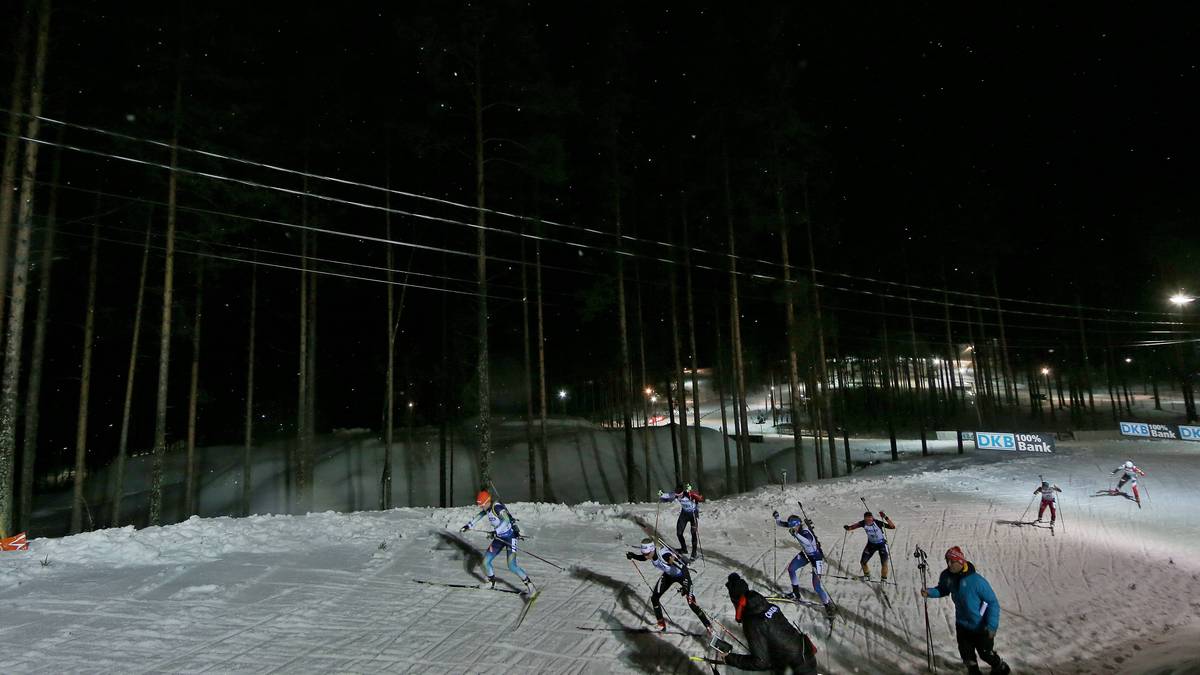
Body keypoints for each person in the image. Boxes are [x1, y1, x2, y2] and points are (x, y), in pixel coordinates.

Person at [921, 546, 1009, 675]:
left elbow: (992, 603)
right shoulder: (947, 576)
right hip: (962, 624)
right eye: (947, 561)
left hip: (981, 626)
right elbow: (943, 589)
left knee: (985, 653)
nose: (949, 564)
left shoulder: (977, 581)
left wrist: (992, 626)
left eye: (952, 561)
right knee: (966, 654)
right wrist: (929, 592)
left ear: (960, 561)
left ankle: (1000, 667)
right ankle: (974, 672)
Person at [718, 573, 818, 674]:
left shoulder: (752, 623)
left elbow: (761, 662)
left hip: (794, 669)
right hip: (806, 656)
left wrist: (730, 659)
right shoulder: (770, 606)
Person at [627, 537, 713, 632]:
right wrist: (633, 556)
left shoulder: (664, 555)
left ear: (652, 549)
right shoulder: (651, 554)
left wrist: (685, 586)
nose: (646, 556)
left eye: (647, 554)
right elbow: (644, 558)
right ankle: (661, 624)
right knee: (654, 598)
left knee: (691, 602)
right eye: (644, 553)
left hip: (682, 575)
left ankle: (708, 626)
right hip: (668, 575)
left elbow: (677, 563)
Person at [460, 489, 535, 595]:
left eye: (482, 505)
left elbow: (506, 520)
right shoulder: (487, 508)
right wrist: (469, 525)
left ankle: (530, 586)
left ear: (487, 502)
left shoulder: (497, 507)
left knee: (512, 566)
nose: (481, 507)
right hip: (499, 538)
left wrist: (496, 531)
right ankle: (491, 582)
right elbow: (480, 515)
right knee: (485, 561)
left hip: (510, 537)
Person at [772, 511, 835, 619]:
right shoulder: (795, 526)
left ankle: (828, 605)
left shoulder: (805, 531)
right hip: (806, 554)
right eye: (791, 527)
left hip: (816, 558)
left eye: (794, 527)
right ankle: (796, 593)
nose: (792, 529)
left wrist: (796, 534)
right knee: (791, 569)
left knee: (817, 586)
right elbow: (780, 523)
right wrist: (777, 517)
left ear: (798, 524)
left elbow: (808, 542)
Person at [843, 510, 896, 581]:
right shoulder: (863, 523)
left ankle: (884, 579)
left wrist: (885, 517)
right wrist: (847, 528)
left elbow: (892, 527)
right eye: (867, 520)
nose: (868, 521)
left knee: (884, 563)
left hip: (882, 545)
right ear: (864, 519)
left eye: (870, 519)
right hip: (871, 545)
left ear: (872, 518)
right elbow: (851, 527)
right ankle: (867, 575)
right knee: (863, 562)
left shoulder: (877, 522)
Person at [659, 483, 704, 556]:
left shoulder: (688, 494)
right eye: (677, 494)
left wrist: (693, 493)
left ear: (682, 491)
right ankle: (684, 549)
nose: (678, 496)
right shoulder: (676, 494)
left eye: (680, 494)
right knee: (679, 533)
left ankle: (694, 552)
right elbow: (667, 495)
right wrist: (661, 494)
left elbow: (701, 498)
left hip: (693, 514)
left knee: (693, 533)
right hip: (684, 514)